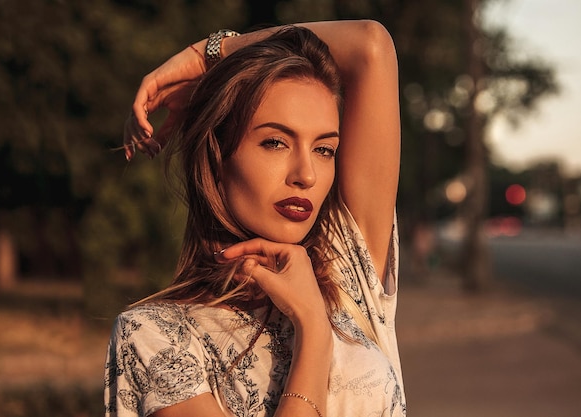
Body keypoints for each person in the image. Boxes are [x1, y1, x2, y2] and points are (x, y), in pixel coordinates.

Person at [105, 19, 403, 417]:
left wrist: (207, 56)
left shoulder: (347, 266)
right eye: (275, 142)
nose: (306, 175)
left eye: (324, 149)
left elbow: (370, 46)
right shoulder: (156, 337)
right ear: (217, 154)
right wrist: (313, 329)